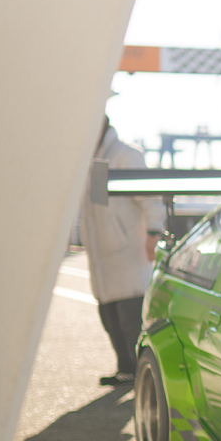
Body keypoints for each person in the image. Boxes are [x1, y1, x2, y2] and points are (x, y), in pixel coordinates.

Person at [80, 116, 162, 386]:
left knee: (131, 317)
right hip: (102, 256)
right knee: (109, 315)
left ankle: (142, 373)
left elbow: (151, 198)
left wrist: (153, 232)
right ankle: (125, 368)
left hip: (127, 253)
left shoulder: (124, 155)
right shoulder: (87, 157)